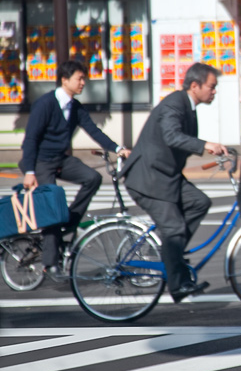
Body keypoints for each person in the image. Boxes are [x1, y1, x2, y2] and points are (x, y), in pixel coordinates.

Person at [120, 62, 228, 303]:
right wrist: (205, 145)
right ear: (194, 85)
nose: (214, 91)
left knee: (200, 202)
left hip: (166, 177)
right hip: (148, 179)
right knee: (174, 228)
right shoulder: (174, 104)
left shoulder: (189, 107)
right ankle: (177, 285)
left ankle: (173, 254)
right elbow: (171, 136)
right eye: (212, 86)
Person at [20, 60, 131, 278]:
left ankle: (69, 223)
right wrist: (30, 171)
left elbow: (94, 131)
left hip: (60, 160)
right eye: (79, 78)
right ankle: (51, 263)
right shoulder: (45, 104)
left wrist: (118, 148)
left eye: (84, 79)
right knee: (51, 205)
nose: (83, 83)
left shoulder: (75, 107)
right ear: (64, 80)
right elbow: (31, 139)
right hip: (41, 162)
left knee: (93, 178)